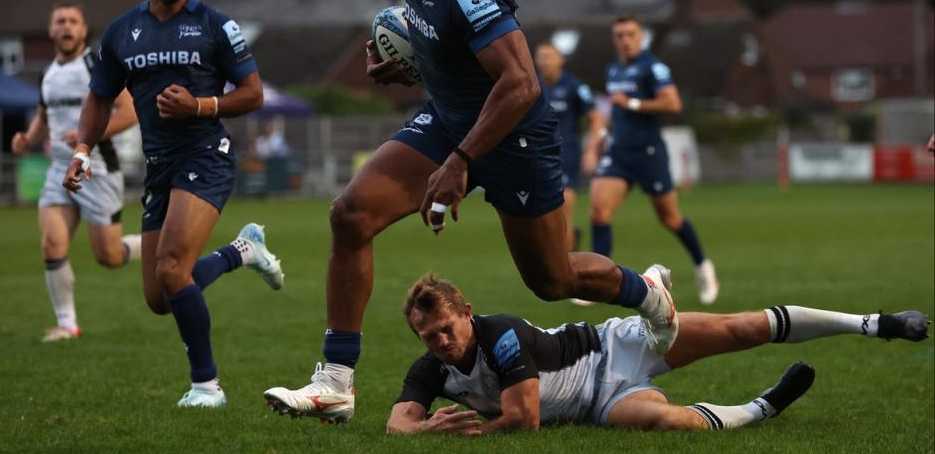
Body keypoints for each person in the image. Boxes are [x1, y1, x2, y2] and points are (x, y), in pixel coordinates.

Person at [263, 0, 678, 424]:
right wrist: (411, 64)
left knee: (552, 280)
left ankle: (646, 293)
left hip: (514, 136)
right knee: (350, 215)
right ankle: (336, 382)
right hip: (450, 120)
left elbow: (521, 82)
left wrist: (459, 161)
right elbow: (451, 43)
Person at [62, 0, 284, 408]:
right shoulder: (122, 32)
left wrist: (200, 105)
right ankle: (242, 253)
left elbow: (253, 93)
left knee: (170, 267)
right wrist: (82, 150)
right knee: (159, 296)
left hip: (207, 156)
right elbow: (99, 97)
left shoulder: (216, 26)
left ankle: (207, 386)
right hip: (159, 168)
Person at [386, 272, 930, 435]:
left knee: (740, 329)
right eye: (429, 336)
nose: (440, 342)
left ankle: (875, 324)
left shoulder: (499, 333)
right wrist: (423, 430)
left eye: (446, 328)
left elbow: (524, 419)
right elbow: (396, 424)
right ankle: (764, 407)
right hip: (598, 405)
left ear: (466, 313)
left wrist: (473, 431)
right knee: (669, 423)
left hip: (611, 348)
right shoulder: (430, 367)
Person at [11, 1, 141, 342]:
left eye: (73, 21)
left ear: (83, 30)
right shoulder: (47, 73)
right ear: (51, 30)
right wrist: (28, 137)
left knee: (109, 257)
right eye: (60, 21)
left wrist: (89, 136)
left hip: (98, 169)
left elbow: (130, 111)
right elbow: (44, 114)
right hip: (58, 169)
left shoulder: (96, 64)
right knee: (52, 243)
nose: (66, 27)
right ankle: (67, 324)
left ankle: (152, 245)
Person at [586, 16, 719, 305]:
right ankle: (599, 282)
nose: (625, 40)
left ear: (640, 37)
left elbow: (673, 103)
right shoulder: (613, 69)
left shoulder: (653, 67)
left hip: (648, 154)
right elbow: (615, 109)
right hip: (619, 153)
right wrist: (603, 134)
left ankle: (703, 267)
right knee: (598, 211)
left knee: (670, 218)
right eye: (619, 35)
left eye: (630, 34)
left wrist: (633, 103)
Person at [533, 41, 602, 253]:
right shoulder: (531, 85)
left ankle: (568, 266)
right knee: (542, 218)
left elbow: (596, 118)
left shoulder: (574, 86)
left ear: (561, 59)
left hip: (566, 156)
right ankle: (563, 257)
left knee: (563, 212)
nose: (545, 61)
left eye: (550, 56)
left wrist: (591, 150)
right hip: (535, 156)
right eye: (541, 56)